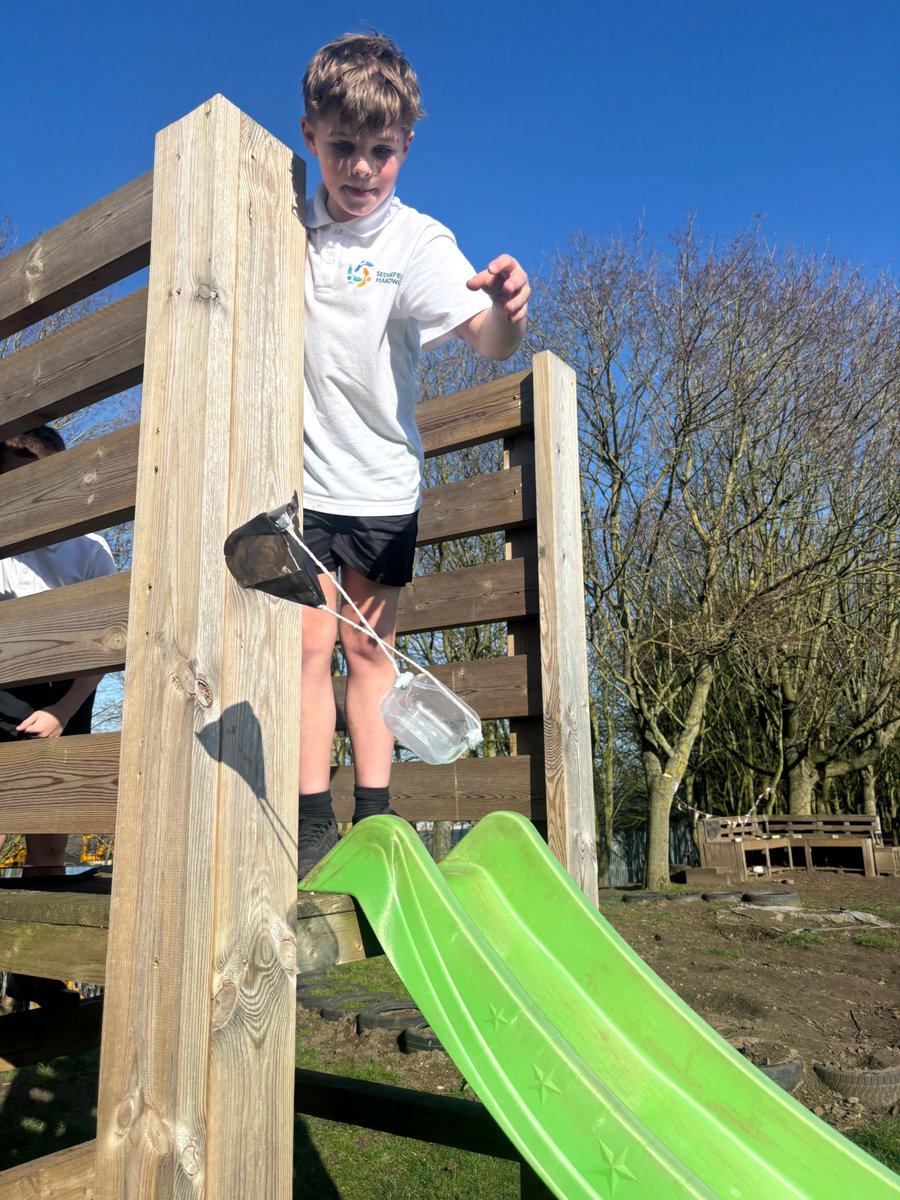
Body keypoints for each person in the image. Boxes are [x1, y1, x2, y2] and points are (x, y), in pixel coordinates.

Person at [296, 31, 530, 876]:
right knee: (303, 650)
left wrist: (508, 311)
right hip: (302, 484)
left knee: (368, 652)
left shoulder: (416, 243)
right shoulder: (289, 220)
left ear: (405, 147)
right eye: (343, 147)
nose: (361, 169)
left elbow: (489, 341)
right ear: (310, 135)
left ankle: (375, 815)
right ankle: (309, 822)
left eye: (382, 151)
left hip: (382, 486)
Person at [0, 426, 117, 1005]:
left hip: (65, 695)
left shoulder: (89, 548)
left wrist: (63, 712)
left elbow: (106, 641)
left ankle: (36, 966)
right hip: (4, 687)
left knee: (48, 838)